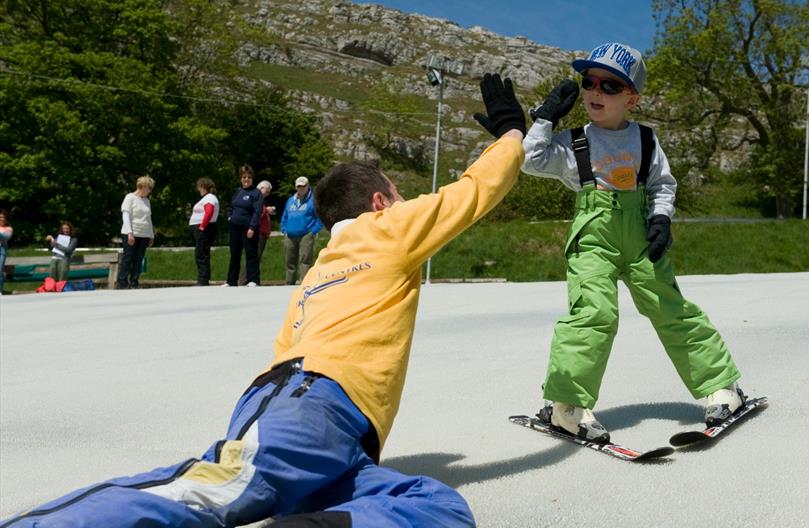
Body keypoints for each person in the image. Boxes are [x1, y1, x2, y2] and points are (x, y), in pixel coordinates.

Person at [0, 73, 526, 528]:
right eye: (400, 196)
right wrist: (511, 135)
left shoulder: (322, 270)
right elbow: (474, 189)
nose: (411, 206)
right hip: (311, 404)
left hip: (326, 427)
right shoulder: (385, 229)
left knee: (436, 506)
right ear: (380, 202)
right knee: (205, 493)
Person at [522, 42, 745, 442]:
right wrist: (543, 119)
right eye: (589, 81)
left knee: (671, 309)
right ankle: (566, 405)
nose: (594, 91)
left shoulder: (645, 140)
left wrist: (661, 217)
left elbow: (662, 183)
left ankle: (721, 386)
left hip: (642, 235)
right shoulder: (574, 142)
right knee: (594, 314)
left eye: (609, 86)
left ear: (632, 98)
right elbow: (530, 160)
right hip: (594, 235)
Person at [224, 165, 263, 287]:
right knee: (235, 253)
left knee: (250, 252)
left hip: (248, 227)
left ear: (252, 179)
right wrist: (230, 217)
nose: (246, 179)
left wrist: (252, 227)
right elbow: (231, 206)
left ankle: (253, 279)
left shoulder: (256, 193)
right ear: (241, 179)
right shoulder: (238, 192)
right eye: (244, 177)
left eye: (249, 177)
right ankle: (231, 281)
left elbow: (257, 211)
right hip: (235, 226)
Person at [281, 176, 323, 285]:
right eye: (299, 186)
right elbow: (285, 216)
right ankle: (289, 282)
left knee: (305, 260)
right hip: (290, 234)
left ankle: (304, 283)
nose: (301, 188)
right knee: (290, 260)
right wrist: (284, 229)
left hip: (306, 234)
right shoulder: (291, 200)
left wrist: (313, 231)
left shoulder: (313, 200)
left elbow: (319, 217)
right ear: (296, 187)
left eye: (303, 186)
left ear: (308, 186)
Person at [118, 176, 155, 289]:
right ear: (142, 187)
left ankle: (134, 282)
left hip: (144, 234)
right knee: (128, 258)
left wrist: (151, 235)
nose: (150, 191)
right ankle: (123, 283)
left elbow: (149, 219)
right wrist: (130, 233)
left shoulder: (147, 201)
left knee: (139, 259)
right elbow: (126, 215)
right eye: (149, 188)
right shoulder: (130, 197)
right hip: (131, 233)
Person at [239, 180, 276, 286]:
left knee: (255, 257)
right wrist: (266, 210)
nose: (267, 194)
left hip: (262, 234)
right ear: (261, 188)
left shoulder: (260, 199)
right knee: (252, 257)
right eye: (267, 191)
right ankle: (244, 280)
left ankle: (251, 279)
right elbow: (253, 212)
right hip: (256, 232)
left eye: (269, 192)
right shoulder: (254, 197)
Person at [189, 177, 220, 286]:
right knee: (200, 252)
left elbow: (209, 211)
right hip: (200, 228)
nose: (198, 189)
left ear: (203, 186)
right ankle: (202, 278)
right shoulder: (206, 198)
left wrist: (202, 227)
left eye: (199, 187)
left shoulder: (209, 198)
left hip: (204, 228)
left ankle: (203, 279)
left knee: (202, 254)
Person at [0, 209, 11, 295]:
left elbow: (6, 237)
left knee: (0, 269)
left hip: (2, 250)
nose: (1, 219)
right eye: (0, 217)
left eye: (3, 217)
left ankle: (0, 290)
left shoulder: (8, 228)